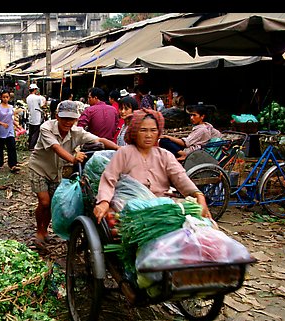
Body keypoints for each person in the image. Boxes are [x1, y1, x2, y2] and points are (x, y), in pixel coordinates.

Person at [28, 100, 119, 251]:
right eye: (64, 118)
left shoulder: (77, 132)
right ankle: (40, 231)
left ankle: (45, 230)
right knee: (44, 202)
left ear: (76, 119)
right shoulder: (46, 128)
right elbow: (56, 147)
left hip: (57, 172)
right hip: (39, 168)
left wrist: (121, 150)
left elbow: (100, 140)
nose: (67, 122)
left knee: (52, 203)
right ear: (57, 116)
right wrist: (73, 159)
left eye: (71, 119)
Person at [93, 108, 212, 224]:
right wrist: (104, 202)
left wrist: (198, 195)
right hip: (131, 207)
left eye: (153, 130)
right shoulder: (124, 153)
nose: (149, 135)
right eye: (143, 130)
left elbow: (180, 177)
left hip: (163, 207)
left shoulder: (165, 155)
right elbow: (109, 178)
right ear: (135, 132)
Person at [0, 90, 20, 173]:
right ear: (1, 97)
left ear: (9, 98)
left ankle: (13, 165)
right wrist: (2, 124)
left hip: (10, 130)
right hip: (0, 131)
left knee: (12, 147)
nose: (5, 99)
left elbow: (11, 119)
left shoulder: (11, 107)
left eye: (7, 97)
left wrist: (17, 125)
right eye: (4, 97)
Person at [26, 83, 46, 150]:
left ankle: (29, 143)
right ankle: (32, 145)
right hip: (37, 115)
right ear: (35, 89)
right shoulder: (38, 98)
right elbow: (42, 105)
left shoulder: (28, 98)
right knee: (36, 131)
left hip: (31, 115)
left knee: (31, 131)